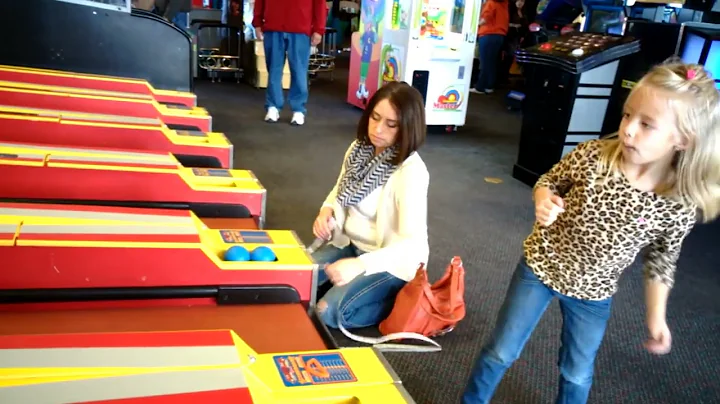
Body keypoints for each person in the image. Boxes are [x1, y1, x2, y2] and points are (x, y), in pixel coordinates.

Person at [462, 60, 720, 404]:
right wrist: (544, 199)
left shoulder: (678, 203)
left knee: (577, 372)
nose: (628, 130)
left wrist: (656, 317)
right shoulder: (593, 157)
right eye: (628, 116)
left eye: (647, 124)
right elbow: (548, 181)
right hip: (542, 266)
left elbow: (661, 261)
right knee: (500, 352)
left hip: (595, 291)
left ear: (683, 140)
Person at [310, 81, 429, 330]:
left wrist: (360, 266)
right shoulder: (359, 149)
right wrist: (326, 210)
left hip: (390, 261)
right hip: (350, 245)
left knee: (326, 312)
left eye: (391, 124)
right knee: (298, 279)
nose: (377, 129)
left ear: (407, 127)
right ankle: (352, 286)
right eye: (375, 117)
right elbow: (339, 188)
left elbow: (410, 244)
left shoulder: (411, 172)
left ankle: (401, 298)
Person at [253, 0, 327, 126]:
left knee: (299, 70)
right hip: (274, 26)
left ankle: (298, 109)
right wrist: (257, 22)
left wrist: (319, 29)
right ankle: (273, 106)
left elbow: (320, 3)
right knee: (273, 70)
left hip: (300, 27)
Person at [471, 0, 509, 95]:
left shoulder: (491, 3)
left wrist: (473, 25)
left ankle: (480, 87)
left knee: (485, 62)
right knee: (491, 62)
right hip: (499, 35)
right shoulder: (504, 4)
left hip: (488, 34)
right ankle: (489, 86)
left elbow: (485, 18)